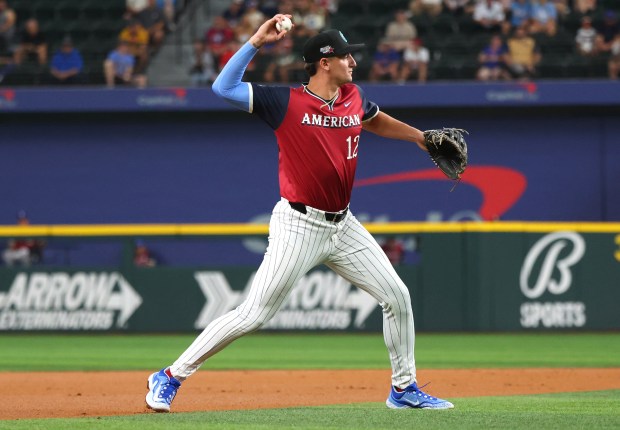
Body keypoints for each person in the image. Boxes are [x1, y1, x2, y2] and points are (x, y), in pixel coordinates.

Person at [145, 14, 455, 413]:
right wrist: (257, 40)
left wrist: (421, 139)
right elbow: (223, 88)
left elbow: (376, 121)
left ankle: (403, 388)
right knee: (254, 314)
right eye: (346, 57)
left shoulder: (353, 97)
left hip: (343, 225)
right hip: (299, 224)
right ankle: (170, 376)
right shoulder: (284, 101)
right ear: (324, 62)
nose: (353, 63)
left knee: (397, 296)